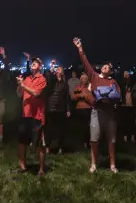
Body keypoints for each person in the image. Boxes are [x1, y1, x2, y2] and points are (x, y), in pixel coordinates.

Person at [73, 38, 121, 173]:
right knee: (94, 138)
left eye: (109, 67)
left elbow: (118, 96)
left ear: (111, 71)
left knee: (111, 139)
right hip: (97, 111)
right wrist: (80, 49)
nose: (106, 67)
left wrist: (111, 98)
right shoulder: (94, 77)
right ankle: (93, 164)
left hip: (110, 113)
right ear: (102, 68)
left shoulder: (113, 81)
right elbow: (86, 63)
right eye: (105, 66)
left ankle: (112, 165)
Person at [14, 55, 47, 176]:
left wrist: (23, 86)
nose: (33, 63)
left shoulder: (42, 79)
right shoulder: (27, 78)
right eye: (32, 62)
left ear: (40, 66)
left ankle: (41, 169)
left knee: (38, 144)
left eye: (36, 62)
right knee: (22, 141)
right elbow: (18, 94)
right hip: (25, 114)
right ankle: (23, 166)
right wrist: (19, 84)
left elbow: (37, 94)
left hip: (37, 116)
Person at [44, 64, 72, 154]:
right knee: (49, 128)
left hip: (60, 108)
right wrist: (51, 68)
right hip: (50, 107)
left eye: (60, 69)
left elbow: (67, 97)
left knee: (61, 129)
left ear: (63, 72)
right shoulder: (52, 81)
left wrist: (68, 109)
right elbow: (47, 74)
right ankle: (48, 147)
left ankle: (60, 147)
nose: (58, 70)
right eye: (57, 69)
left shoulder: (65, 83)